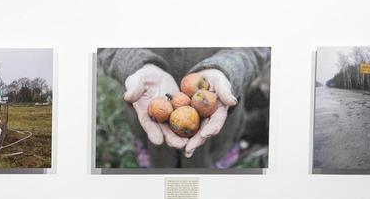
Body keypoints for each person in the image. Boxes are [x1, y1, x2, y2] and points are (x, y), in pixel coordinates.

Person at [98, 47, 271, 169]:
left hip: (218, 141)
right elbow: (106, 47)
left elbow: (258, 48)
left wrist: (226, 69)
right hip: (150, 139)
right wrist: (136, 64)